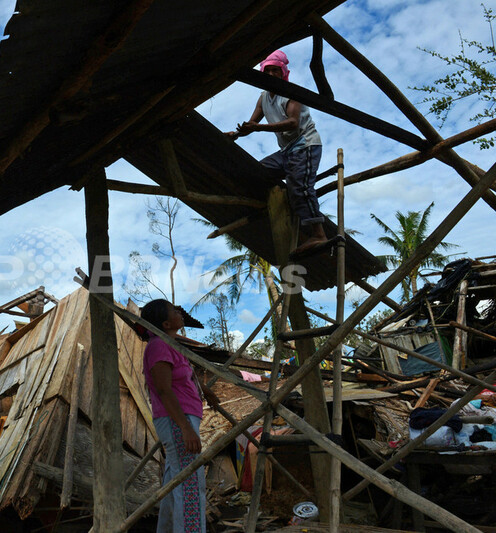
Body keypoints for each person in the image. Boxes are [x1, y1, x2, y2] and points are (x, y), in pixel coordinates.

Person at [226, 49, 328, 257]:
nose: (271, 75)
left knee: (300, 187)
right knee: (258, 171)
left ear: (283, 73)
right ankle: (276, 205)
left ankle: (319, 234)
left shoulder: (292, 93)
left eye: (276, 71)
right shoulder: (263, 97)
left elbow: (293, 123)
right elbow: (252, 124)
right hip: (286, 151)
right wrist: (236, 133)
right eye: (267, 71)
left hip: (305, 145)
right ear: (262, 72)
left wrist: (258, 128)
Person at [140, 299, 219, 533]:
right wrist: (185, 427)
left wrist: (205, 391)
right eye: (174, 311)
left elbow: (184, 376)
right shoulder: (158, 346)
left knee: (175, 482)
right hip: (177, 419)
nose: (180, 312)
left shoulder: (169, 345)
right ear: (165, 323)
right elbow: (164, 389)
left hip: (181, 417)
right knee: (190, 483)